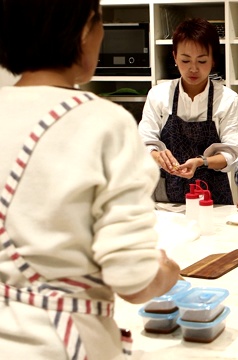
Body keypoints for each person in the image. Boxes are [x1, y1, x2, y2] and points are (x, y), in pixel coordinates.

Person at [0, 1, 181, 359]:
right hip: (60, 343)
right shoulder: (103, 122)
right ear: (85, 30)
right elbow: (133, 279)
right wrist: (166, 271)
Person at [139, 18, 238, 205]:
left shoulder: (227, 99)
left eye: (202, 61)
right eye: (185, 60)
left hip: (213, 196)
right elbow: (143, 143)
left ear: (213, 60)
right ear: (174, 57)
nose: (193, 68)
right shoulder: (158, 95)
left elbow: (232, 154)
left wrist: (201, 162)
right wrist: (158, 156)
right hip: (167, 197)